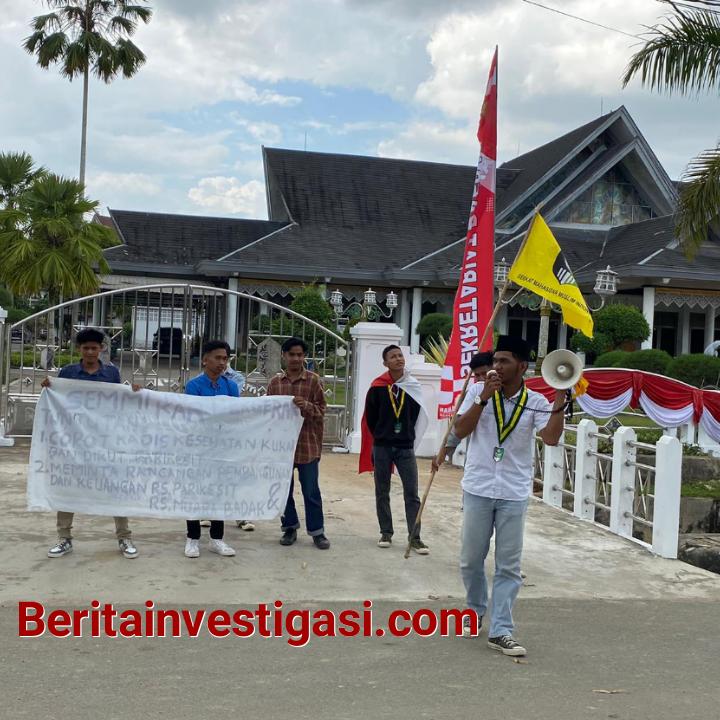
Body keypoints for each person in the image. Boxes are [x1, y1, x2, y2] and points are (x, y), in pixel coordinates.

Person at [454, 335, 565, 656]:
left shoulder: (536, 402)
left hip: (513, 492)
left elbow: (551, 438)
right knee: (471, 559)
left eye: (504, 361)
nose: (497, 367)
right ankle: (475, 609)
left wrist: (560, 395)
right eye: (495, 361)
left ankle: (501, 629)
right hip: (478, 487)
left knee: (508, 566)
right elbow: (460, 430)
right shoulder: (477, 391)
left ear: (522, 366)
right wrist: (482, 399)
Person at [42, 328, 138, 560]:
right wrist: (49, 387)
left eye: (94, 348)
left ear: (101, 348)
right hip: (74, 441)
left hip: (104, 441)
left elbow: (117, 401)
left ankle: (124, 537)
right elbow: (60, 399)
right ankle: (64, 538)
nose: (90, 352)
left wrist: (132, 392)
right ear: (79, 349)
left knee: (114, 487)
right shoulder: (68, 372)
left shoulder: (111, 373)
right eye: (86, 348)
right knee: (68, 487)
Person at [360, 345, 430, 554]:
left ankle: (415, 537)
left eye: (400, 355)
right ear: (385, 363)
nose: (398, 359)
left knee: (412, 493)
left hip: (405, 447)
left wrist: (405, 432)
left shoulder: (412, 386)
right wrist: (383, 434)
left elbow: (417, 414)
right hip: (382, 446)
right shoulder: (377, 387)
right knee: (382, 490)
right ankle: (386, 532)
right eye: (393, 356)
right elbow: (371, 417)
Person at [267, 337, 330, 550]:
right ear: (284, 356)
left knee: (311, 491)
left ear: (304, 357)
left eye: (300, 355)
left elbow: (322, 410)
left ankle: (317, 532)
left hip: (307, 446)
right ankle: (289, 527)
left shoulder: (313, 381)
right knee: (284, 491)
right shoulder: (275, 383)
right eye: (292, 354)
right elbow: (267, 412)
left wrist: (307, 406)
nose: (296, 358)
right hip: (282, 448)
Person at [183, 340, 238, 558]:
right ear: (205, 359)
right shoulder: (194, 386)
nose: (222, 363)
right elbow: (193, 416)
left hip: (222, 448)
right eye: (217, 358)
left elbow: (236, 416)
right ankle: (192, 538)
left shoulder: (231, 387)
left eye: (225, 358)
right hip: (198, 448)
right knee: (194, 492)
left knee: (219, 492)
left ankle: (217, 539)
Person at [432, 351, 494, 473]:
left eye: (485, 374)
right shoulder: (474, 391)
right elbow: (458, 427)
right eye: (477, 375)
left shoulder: (518, 393)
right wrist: (443, 453)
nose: (481, 379)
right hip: (477, 466)